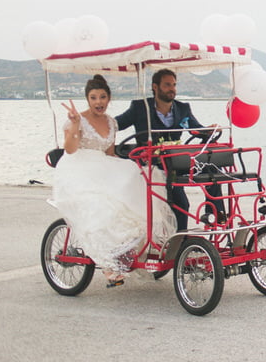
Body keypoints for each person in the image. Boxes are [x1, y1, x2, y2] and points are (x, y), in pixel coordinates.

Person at [52, 74, 176, 287]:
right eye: (93, 98)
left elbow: (109, 152)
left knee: (141, 180)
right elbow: (70, 150)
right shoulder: (77, 119)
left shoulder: (111, 122)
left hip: (103, 165)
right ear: (88, 100)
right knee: (104, 205)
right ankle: (110, 265)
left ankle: (128, 250)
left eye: (102, 97)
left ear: (109, 98)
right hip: (79, 168)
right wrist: (74, 125)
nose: (98, 102)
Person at [115, 68, 223, 232]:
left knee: (214, 167)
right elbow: (116, 124)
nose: (172, 89)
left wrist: (210, 130)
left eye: (174, 85)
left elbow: (198, 130)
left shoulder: (183, 108)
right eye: (167, 85)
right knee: (181, 203)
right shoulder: (140, 107)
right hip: (153, 164)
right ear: (155, 87)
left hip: (176, 163)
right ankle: (180, 243)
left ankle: (215, 214)